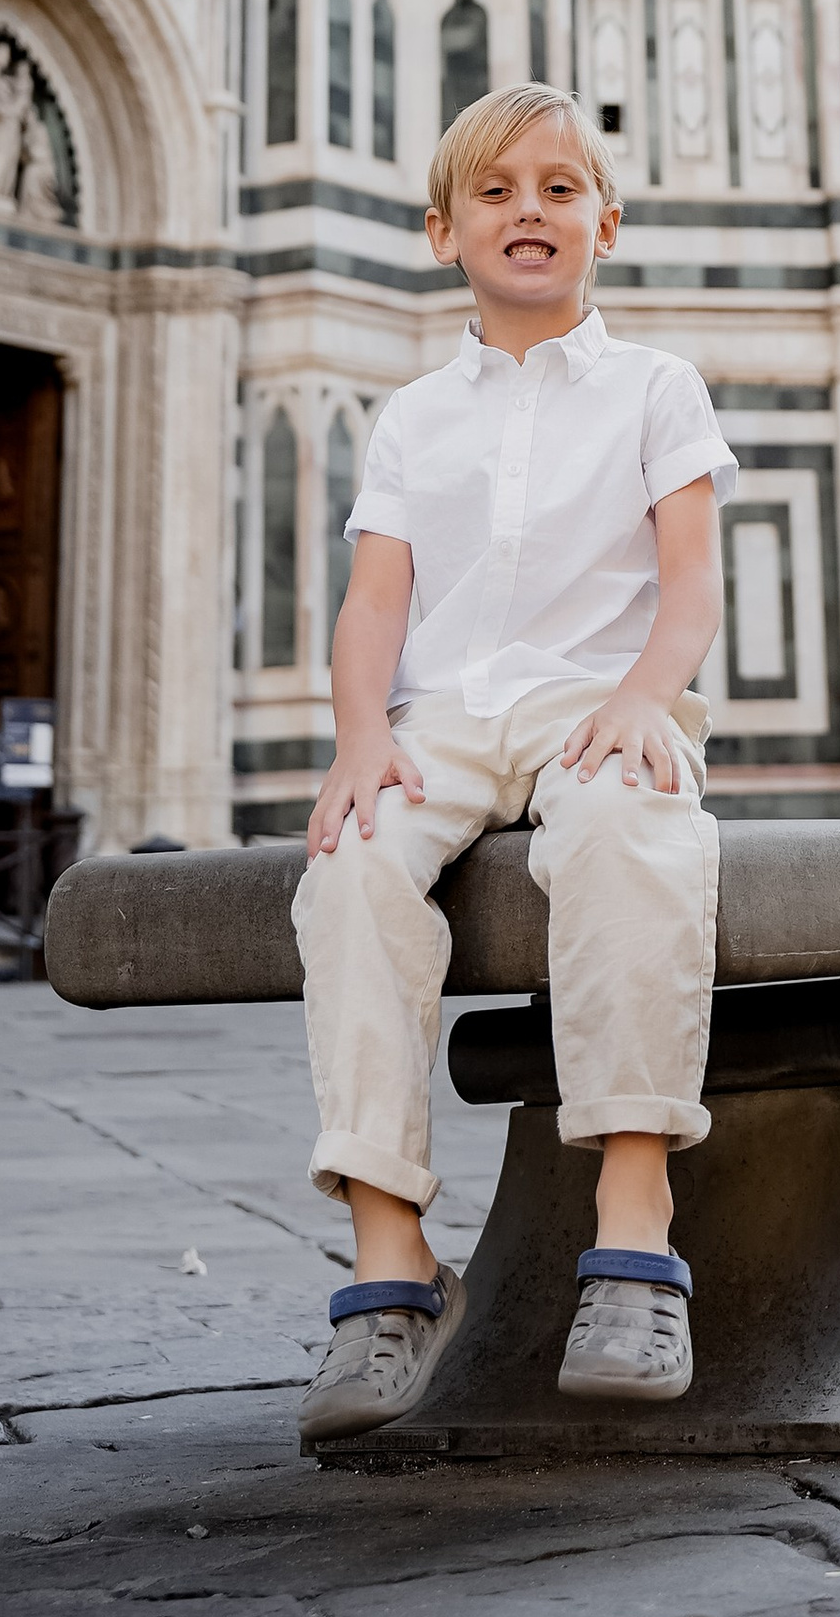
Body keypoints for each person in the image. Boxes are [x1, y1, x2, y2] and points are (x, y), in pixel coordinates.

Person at [291, 83, 733, 1447]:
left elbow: (692, 573)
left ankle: (636, 1226)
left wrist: (649, 699)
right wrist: (363, 739)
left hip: (599, 706)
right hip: (441, 723)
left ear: (606, 220)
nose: (527, 210)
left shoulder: (659, 387)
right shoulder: (416, 417)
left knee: (629, 833)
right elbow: (375, 603)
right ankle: (390, 1262)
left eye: (557, 187)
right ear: (443, 232)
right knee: (350, 874)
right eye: (494, 191)